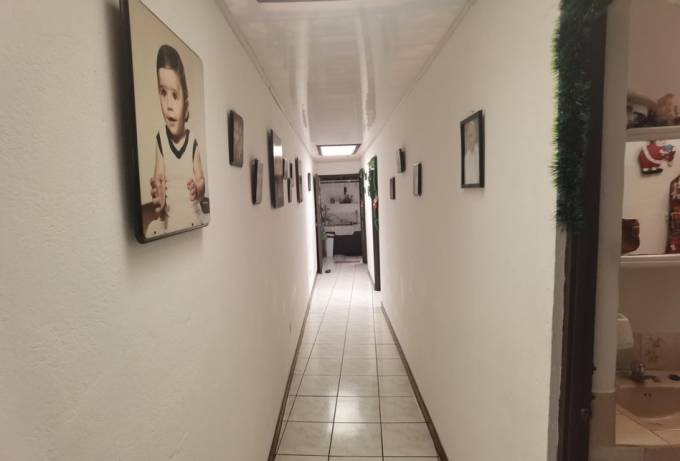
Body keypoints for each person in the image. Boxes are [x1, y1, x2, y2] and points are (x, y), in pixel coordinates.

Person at [147, 45, 206, 236]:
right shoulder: (161, 140)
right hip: (170, 222)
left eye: (174, 95)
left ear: (186, 106)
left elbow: (201, 178)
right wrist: (159, 193)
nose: (168, 104)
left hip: (191, 218)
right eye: (163, 93)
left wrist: (198, 188)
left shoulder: (192, 142)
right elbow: (159, 176)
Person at [463, 118, 480, 185]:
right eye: (468, 136)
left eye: (471, 136)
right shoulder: (466, 157)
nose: (470, 140)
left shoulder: (479, 154)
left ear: (475, 136)